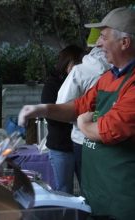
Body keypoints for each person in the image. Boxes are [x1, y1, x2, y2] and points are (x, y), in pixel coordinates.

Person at [18, 7, 135, 219]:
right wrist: (42, 109)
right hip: (99, 193)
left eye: (103, 37)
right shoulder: (108, 78)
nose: (98, 44)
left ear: (124, 43)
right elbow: (78, 106)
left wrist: (82, 124)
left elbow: (108, 130)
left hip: (123, 197)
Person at [56, 30, 111, 186]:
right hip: (114, 140)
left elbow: (62, 105)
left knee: (89, 189)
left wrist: (82, 121)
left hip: (83, 140)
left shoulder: (81, 71)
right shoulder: (119, 71)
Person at [41, 45, 84, 194]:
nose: (79, 67)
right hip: (60, 146)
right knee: (63, 192)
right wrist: (75, 117)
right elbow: (50, 115)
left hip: (81, 144)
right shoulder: (52, 83)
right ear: (67, 62)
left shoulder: (83, 80)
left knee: (87, 190)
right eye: (76, 63)